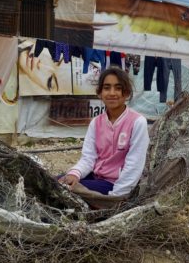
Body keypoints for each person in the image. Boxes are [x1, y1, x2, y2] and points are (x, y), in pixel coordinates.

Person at [58, 66, 150, 197]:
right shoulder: (96, 123)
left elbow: (134, 166)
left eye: (118, 88)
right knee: (57, 181)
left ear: (127, 93)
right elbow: (88, 158)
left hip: (114, 184)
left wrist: (115, 196)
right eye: (107, 88)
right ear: (99, 92)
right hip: (96, 177)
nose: (112, 93)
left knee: (67, 191)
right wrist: (75, 173)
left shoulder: (137, 122)